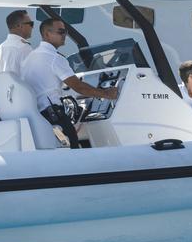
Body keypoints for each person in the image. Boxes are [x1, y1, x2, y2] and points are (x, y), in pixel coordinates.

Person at [18, 16, 119, 148]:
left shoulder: (29, 58)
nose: (64, 35)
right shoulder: (55, 58)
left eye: (65, 32)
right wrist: (106, 94)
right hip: (54, 116)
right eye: (60, 32)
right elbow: (78, 87)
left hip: (38, 116)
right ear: (47, 34)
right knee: (74, 148)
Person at [0, 10, 37, 80]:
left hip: (3, 90)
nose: (32, 27)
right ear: (19, 26)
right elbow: (34, 77)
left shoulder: (1, 48)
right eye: (31, 24)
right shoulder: (24, 48)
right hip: (21, 90)